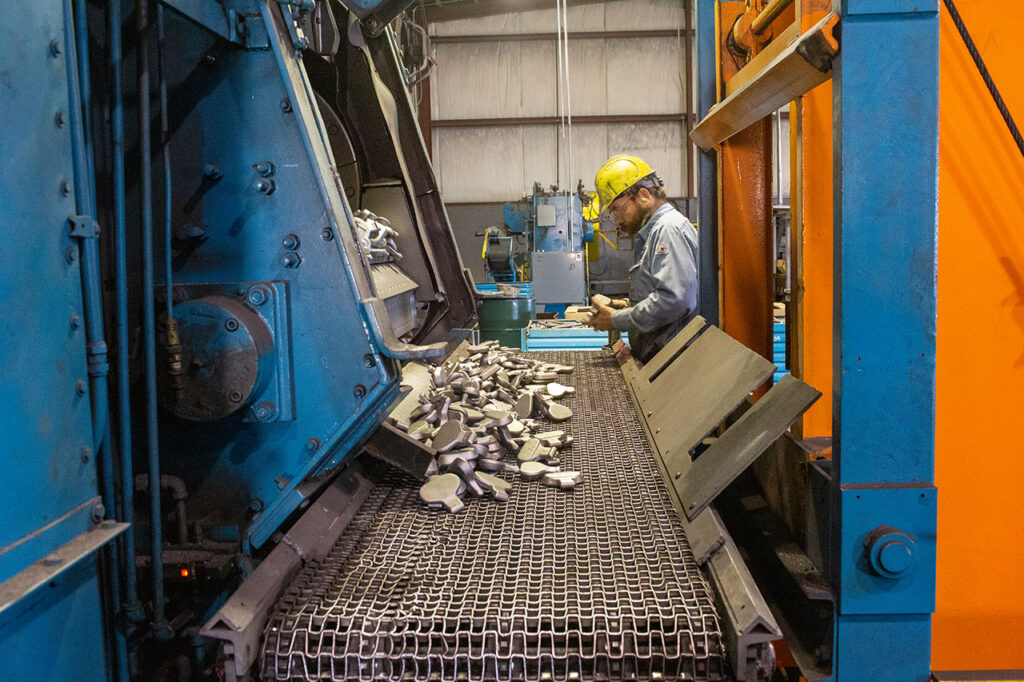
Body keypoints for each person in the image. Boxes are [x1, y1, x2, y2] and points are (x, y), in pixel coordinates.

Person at [586, 155, 698, 363]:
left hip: (674, 364)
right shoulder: (653, 233)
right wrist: (625, 305)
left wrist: (616, 319)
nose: (616, 221)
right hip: (662, 361)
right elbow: (660, 291)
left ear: (644, 195)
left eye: (618, 210)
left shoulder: (668, 230)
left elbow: (675, 300)